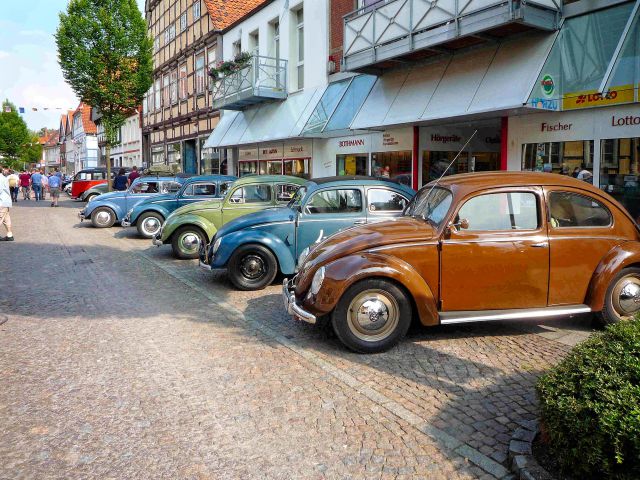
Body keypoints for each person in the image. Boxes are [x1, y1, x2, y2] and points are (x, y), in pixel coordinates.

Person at [0, 166, 14, 241]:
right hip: (6, 202)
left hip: (1, 202)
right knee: (6, 219)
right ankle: (9, 235)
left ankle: (10, 235)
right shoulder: (3, 177)